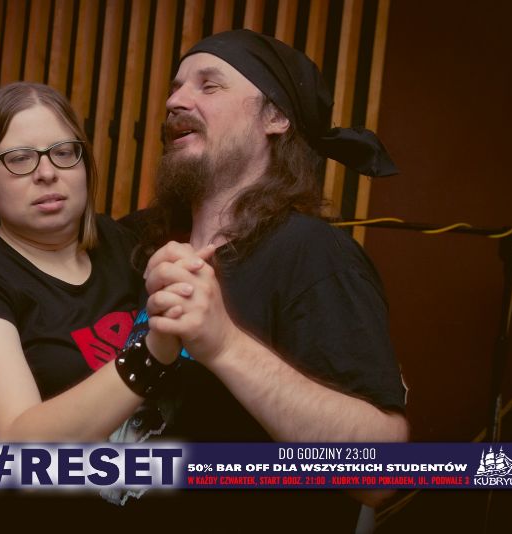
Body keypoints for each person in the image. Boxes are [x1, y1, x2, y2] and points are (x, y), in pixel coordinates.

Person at [120, 29, 408, 530]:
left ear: (275, 118)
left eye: (209, 85)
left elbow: (382, 473)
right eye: (176, 87)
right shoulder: (136, 241)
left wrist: (225, 345)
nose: (174, 101)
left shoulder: (313, 255)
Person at [0, 82, 193, 529]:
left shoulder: (126, 244)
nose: (46, 173)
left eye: (63, 152)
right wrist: (151, 353)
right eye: (19, 158)